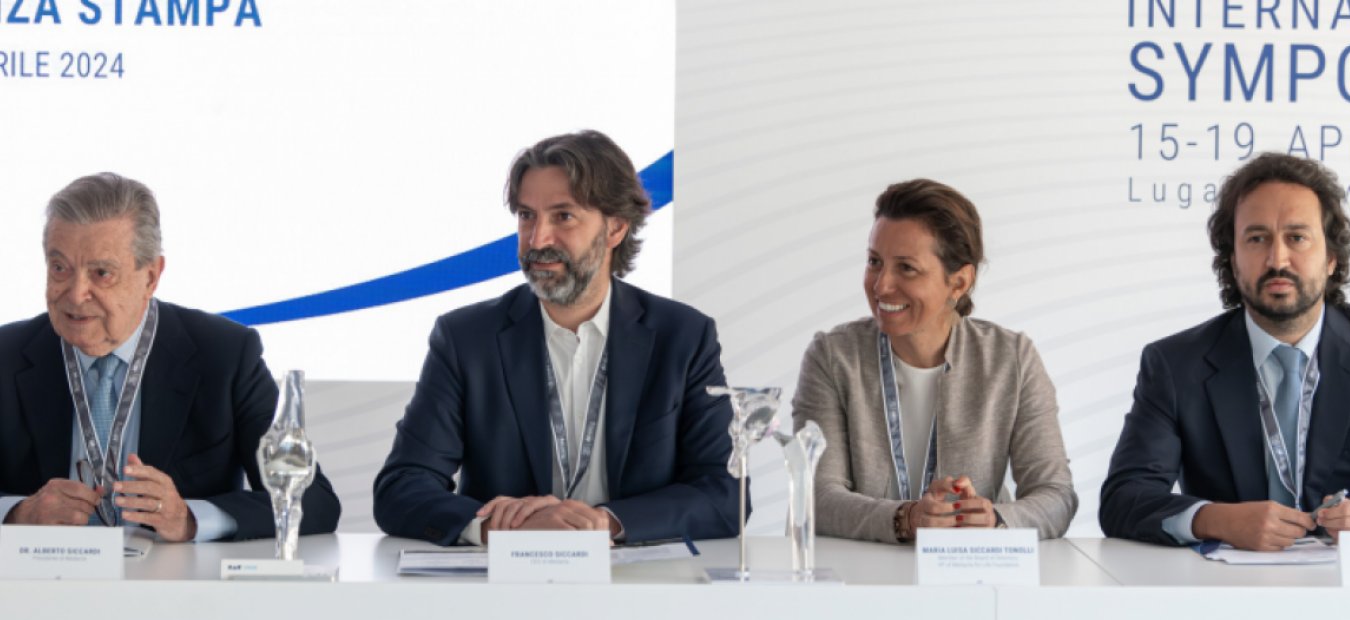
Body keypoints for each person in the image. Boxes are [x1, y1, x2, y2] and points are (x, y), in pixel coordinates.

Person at [373, 130, 739, 546]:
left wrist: (603, 523)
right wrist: (501, 528)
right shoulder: (466, 339)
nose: (538, 239)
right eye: (526, 216)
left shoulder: (684, 337)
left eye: (563, 216)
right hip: (506, 577)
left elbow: (724, 493)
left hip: (635, 577)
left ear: (616, 228)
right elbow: (401, 487)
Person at [1101, 153, 1350, 549]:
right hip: (1223, 581)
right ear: (1233, 260)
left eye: (1297, 238)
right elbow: (1124, 499)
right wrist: (1217, 519)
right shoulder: (1176, 364)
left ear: (1331, 258)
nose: (1277, 259)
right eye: (1257, 239)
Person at [0, 172, 340, 541]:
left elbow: (314, 501)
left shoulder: (224, 355)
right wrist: (19, 514)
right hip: (43, 575)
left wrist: (190, 518)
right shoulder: (7, 355)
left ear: (150, 276)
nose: (76, 293)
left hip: (172, 576)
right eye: (60, 268)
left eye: (102, 273)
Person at [791, 179, 1077, 543]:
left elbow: (1056, 495)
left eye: (906, 268)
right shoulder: (833, 357)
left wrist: (996, 520)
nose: (881, 285)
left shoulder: (1011, 359)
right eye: (875, 262)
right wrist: (907, 518)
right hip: (859, 572)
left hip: (968, 572)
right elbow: (816, 496)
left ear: (959, 282)